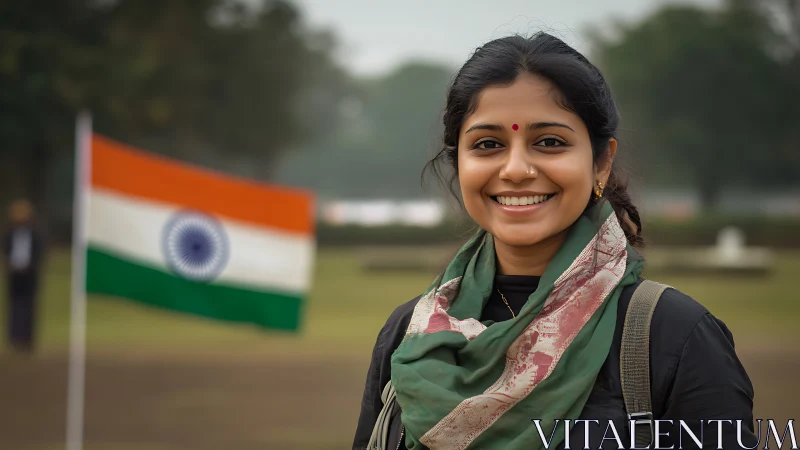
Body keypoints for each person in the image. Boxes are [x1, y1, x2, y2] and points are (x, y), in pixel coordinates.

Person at [352, 33, 756, 450]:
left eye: (549, 142)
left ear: (601, 163)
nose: (516, 169)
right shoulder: (411, 335)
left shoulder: (673, 336)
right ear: (459, 165)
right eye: (488, 144)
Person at [3, 199, 44, 354]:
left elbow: (40, 253)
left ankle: (28, 339)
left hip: (30, 274)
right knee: (14, 306)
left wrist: (30, 265)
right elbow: (5, 252)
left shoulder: (35, 234)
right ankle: (14, 338)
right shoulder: (9, 234)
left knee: (29, 306)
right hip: (13, 274)